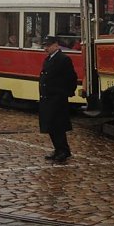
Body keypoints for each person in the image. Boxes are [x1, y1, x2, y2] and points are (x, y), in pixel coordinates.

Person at [38, 35, 78, 163]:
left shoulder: (63, 59)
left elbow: (71, 78)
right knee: (50, 126)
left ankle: (63, 151)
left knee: (58, 126)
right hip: (48, 97)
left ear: (56, 45)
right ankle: (58, 149)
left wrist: (66, 93)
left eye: (48, 46)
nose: (46, 48)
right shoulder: (49, 59)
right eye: (45, 46)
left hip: (57, 98)